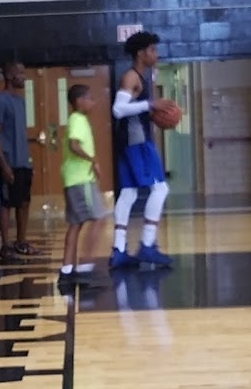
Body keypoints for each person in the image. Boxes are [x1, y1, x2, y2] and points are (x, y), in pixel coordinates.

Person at [110, 31, 173, 269]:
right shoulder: (131, 77)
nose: (155, 54)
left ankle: (118, 250)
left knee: (128, 193)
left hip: (130, 140)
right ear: (141, 53)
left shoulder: (142, 77)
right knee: (160, 188)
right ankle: (147, 245)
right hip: (136, 141)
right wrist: (150, 104)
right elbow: (118, 109)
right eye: (152, 50)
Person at [58, 84, 106, 290]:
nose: (93, 102)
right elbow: (74, 145)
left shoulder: (78, 120)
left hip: (73, 179)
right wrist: (93, 160)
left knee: (76, 223)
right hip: (80, 180)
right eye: (90, 99)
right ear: (79, 101)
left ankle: (67, 270)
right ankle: (86, 268)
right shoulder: (77, 120)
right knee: (98, 218)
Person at [0, 62, 40, 257]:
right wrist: (3, 164)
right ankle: (5, 245)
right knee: (6, 202)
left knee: (24, 202)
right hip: (8, 161)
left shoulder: (20, 101)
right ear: (10, 76)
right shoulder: (0, 101)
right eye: (20, 73)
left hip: (22, 161)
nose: (24, 76)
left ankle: (21, 241)